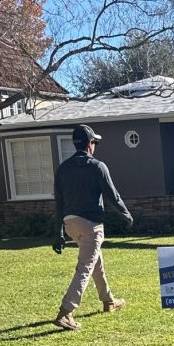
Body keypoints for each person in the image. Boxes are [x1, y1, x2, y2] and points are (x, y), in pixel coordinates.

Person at [52, 124, 132, 331]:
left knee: (96, 261)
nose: (95, 145)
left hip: (70, 224)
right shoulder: (97, 166)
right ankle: (66, 312)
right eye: (94, 141)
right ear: (89, 144)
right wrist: (126, 213)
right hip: (91, 225)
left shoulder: (63, 168)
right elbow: (112, 195)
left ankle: (109, 301)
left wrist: (59, 232)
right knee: (85, 268)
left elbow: (59, 203)